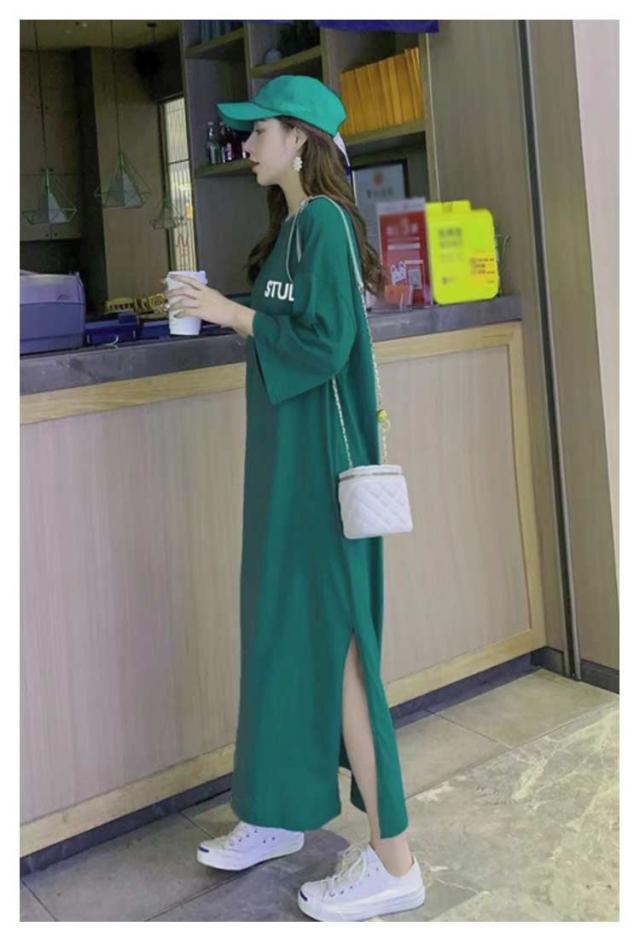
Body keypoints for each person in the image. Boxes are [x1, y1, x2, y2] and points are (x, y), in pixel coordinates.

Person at [164, 74, 426, 922]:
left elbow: (325, 343)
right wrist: (235, 310)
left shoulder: (321, 224)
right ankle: (278, 811)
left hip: (318, 473)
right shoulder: (295, 229)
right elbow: (302, 327)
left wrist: (229, 314)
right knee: (282, 634)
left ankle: (395, 861)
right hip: (287, 468)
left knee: (340, 653)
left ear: (300, 139)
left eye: (259, 132)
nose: (246, 146)